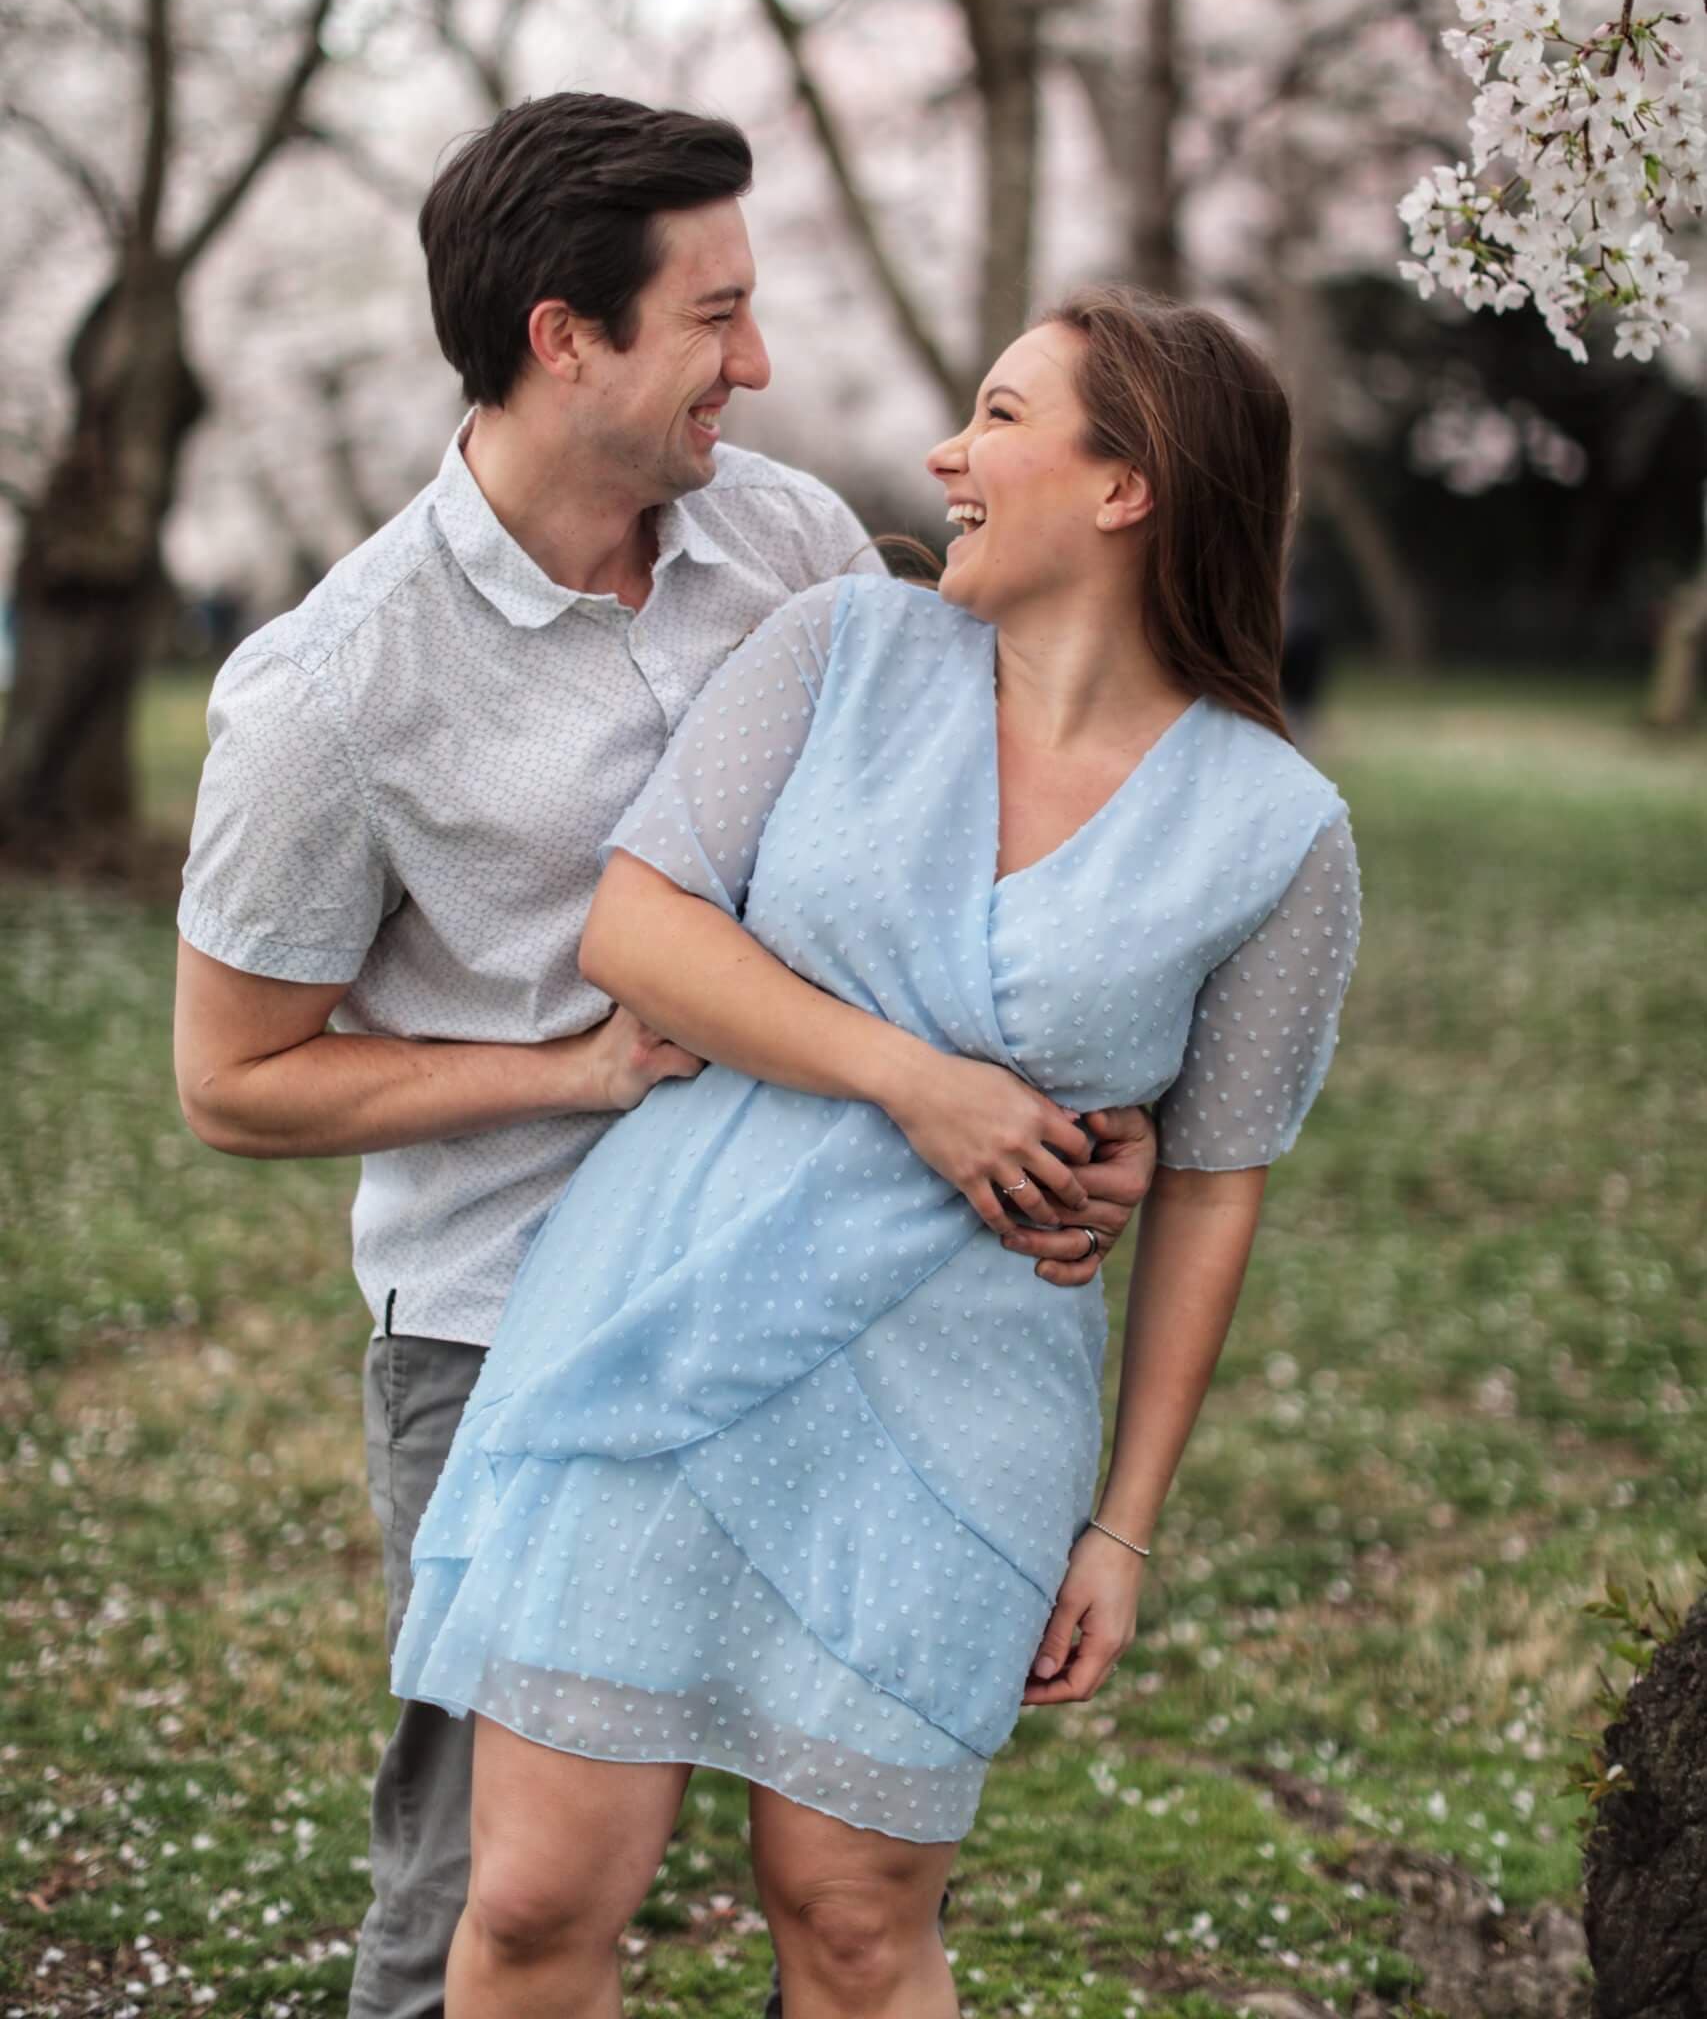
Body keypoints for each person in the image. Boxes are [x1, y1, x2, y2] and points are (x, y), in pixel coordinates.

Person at [169, 93, 1157, 2019]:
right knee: (495, 1889)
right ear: (566, 336)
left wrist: (1073, 1122)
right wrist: (573, 1070)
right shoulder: (333, 686)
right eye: (715, 316)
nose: (761, 363)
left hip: (818, 1281)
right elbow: (234, 1078)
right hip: (506, 1319)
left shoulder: (788, 536)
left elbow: (955, 851)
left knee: (841, 1870)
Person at [389, 286, 1363, 2019]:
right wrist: (921, 1083)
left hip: (959, 1399)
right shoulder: (840, 643)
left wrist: (1120, 1532)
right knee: (535, 1901)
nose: (944, 456)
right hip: (659, 1327)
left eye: (997, 417)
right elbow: (640, 927)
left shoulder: (1278, 828)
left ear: (1128, 485)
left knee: (850, 1924)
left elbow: (1215, 1183)